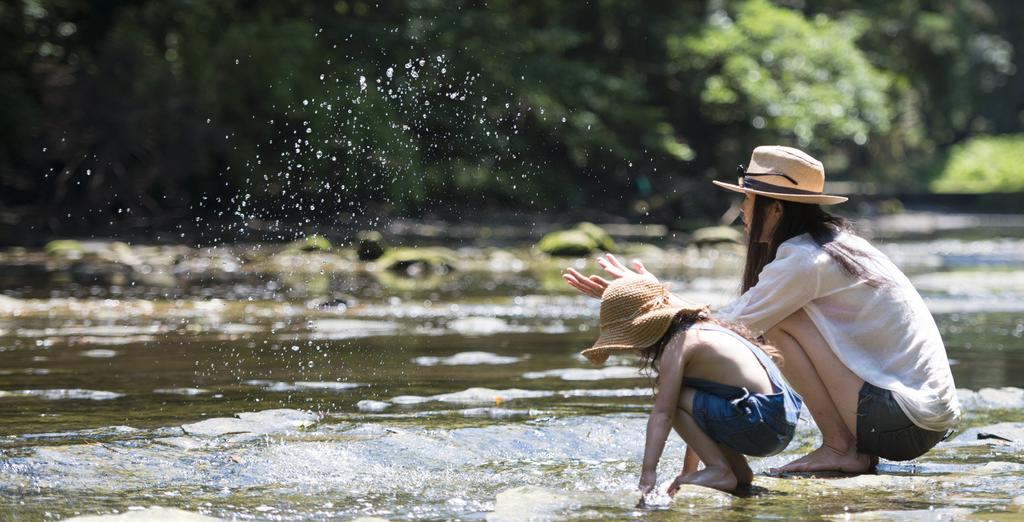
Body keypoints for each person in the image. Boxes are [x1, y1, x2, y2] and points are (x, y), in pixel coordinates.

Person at [564, 146, 961, 474]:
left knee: (780, 322)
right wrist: (651, 296)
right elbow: (729, 318)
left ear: (775, 209)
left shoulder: (805, 260)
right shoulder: (836, 244)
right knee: (774, 319)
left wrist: (647, 300)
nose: (741, 211)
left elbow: (726, 327)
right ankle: (845, 447)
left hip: (902, 420)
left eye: (748, 200)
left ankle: (842, 449)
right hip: (919, 417)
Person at [582, 275, 802, 494]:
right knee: (695, 399)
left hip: (760, 421)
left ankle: (719, 470)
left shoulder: (679, 345)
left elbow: (663, 414)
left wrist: (648, 474)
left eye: (628, 341)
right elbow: (700, 415)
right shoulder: (703, 328)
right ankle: (736, 471)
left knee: (675, 399)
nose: (632, 350)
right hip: (779, 419)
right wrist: (689, 471)